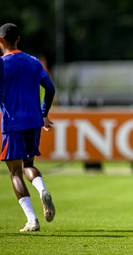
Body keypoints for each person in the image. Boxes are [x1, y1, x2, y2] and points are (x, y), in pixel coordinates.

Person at [0, 23, 56, 232]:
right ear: (18, 39)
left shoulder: (2, 63)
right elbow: (49, 88)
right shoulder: (33, 61)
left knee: (15, 172)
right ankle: (43, 190)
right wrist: (43, 114)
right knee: (28, 165)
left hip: (12, 123)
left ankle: (32, 220)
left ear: (1, 40)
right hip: (33, 122)